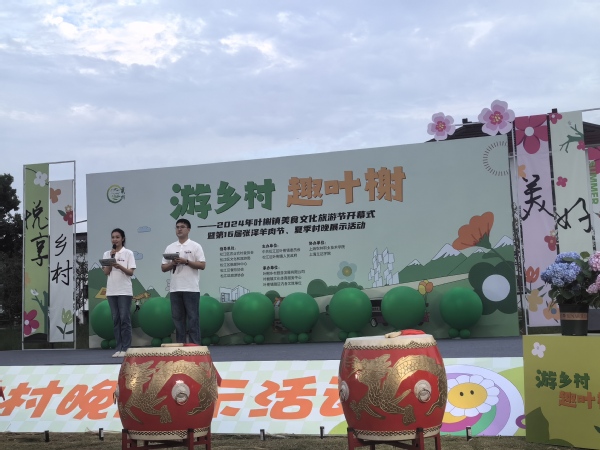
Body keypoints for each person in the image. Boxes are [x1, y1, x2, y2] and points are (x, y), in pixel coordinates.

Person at [161, 218, 206, 344]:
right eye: (177, 227)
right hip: (175, 289)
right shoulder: (170, 247)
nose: (179, 229)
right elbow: (163, 268)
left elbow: (202, 265)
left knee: (193, 319)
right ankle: (180, 347)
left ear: (188, 230)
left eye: (182, 227)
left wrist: (186, 261)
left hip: (191, 288)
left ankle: (195, 347)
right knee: (178, 320)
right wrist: (173, 263)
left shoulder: (195, 246)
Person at [102, 228, 136, 358]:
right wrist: (111, 261)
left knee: (124, 319)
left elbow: (130, 272)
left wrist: (119, 266)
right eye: (113, 237)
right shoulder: (107, 254)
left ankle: (126, 348)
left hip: (124, 291)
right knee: (116, 319)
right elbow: (106, 272)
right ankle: (119, 347)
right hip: (112, 291)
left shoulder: (128, 253)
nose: (115, 239)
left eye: (117, 237)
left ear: (122, 239)